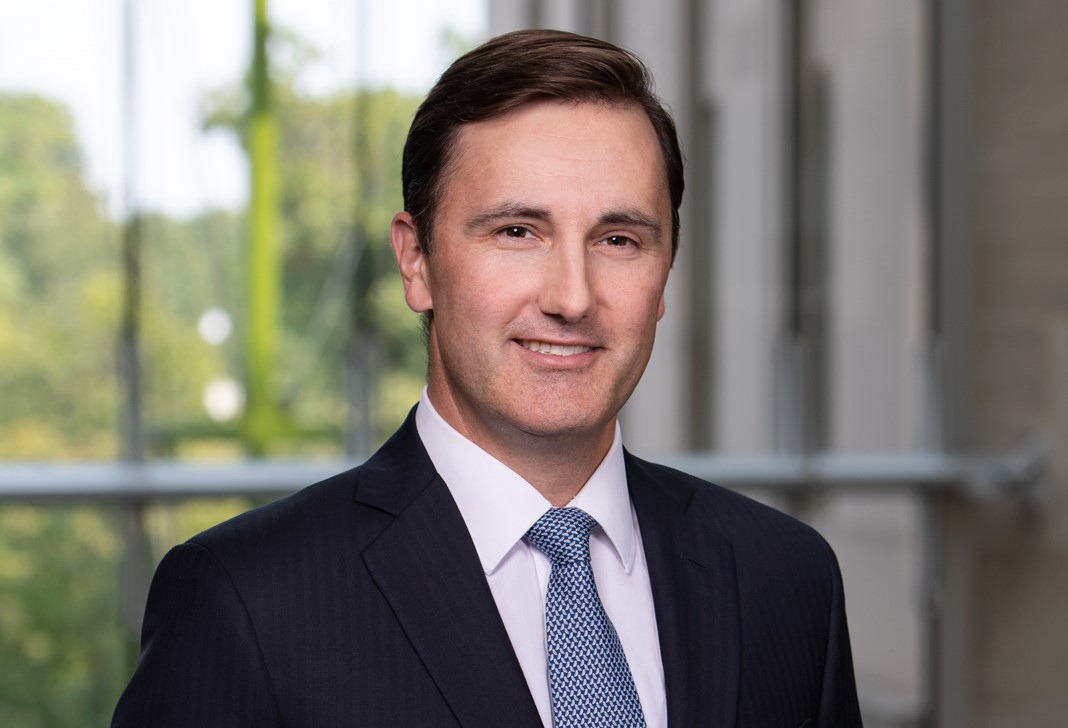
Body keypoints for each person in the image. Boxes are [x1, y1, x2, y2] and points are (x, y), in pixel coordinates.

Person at [112, 29, 862, 727]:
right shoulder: (246, 601)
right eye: (517, 232)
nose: (572, 297)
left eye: (619, 239)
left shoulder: (785, 579)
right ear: (416, 261)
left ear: (664, 273)